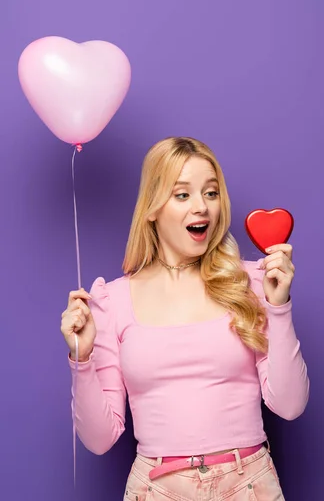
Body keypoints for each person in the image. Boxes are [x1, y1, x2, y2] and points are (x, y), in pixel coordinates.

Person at [61, 136, 309, 500]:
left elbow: (289, 405)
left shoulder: (253, 282)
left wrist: (279, 307)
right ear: (152, 208)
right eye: (182, 195)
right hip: (156, 489)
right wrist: (81, 359)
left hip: (248, 484)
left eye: (210, 193)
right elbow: (99, 440)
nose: (202, 208)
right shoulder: (111, 301)